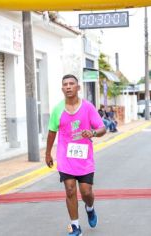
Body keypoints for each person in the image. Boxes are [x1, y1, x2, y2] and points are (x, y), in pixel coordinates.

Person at [46, 74, 106, 236]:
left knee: (86, 192)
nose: (68, 86)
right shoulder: (57, 109)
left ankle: (90, 208)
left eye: (72, 84)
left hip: (84, 157)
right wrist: (48, 153)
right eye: (65, 84)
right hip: (65, 157)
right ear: (62, 89)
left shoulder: (88, 107)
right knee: (70, 190)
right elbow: (52, 132)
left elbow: (102, 128)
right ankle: (75, 226)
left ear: (78, 88)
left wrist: (92, 132)